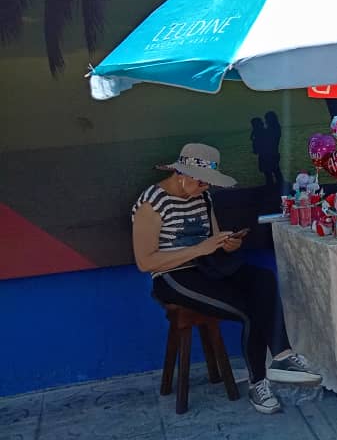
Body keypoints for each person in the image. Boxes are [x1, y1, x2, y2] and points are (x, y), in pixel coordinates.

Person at [131, 143, 321, 415]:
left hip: (208, 266)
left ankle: (281, 356)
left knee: (263, 279)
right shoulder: (152, 203)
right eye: (201, 183)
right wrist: (201, 249)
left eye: (208, 184)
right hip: (173, 276)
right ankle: (259, 383)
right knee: (248, 311)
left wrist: (226, 244)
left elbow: (213, 240)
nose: (205, 188)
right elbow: (145, 261)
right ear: (181, 174)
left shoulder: (202, 197)